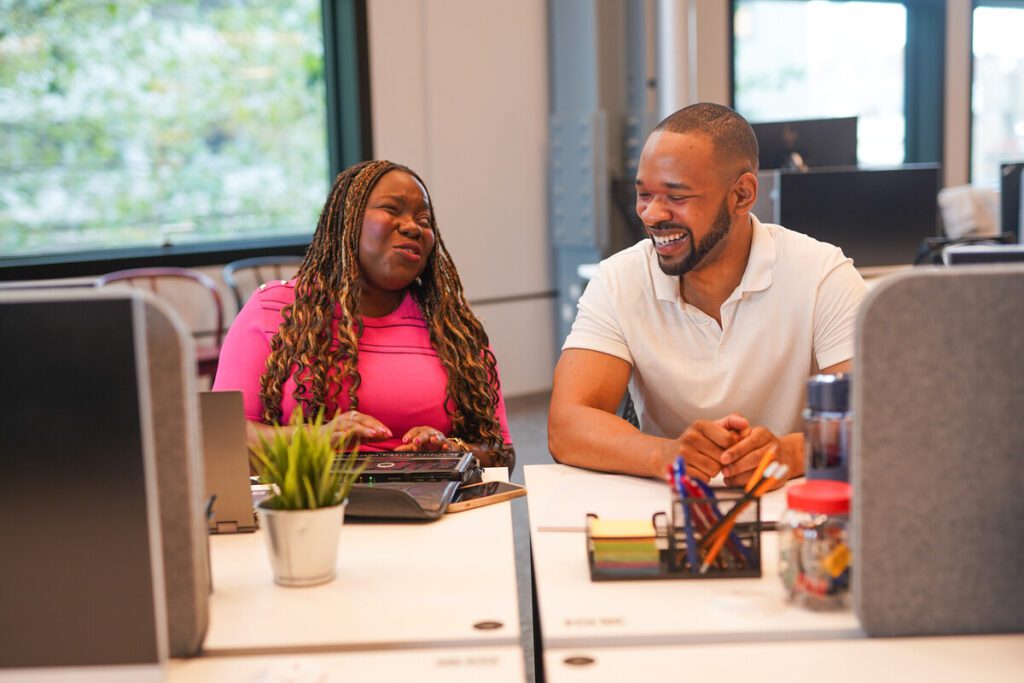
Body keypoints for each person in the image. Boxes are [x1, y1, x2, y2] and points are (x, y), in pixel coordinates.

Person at [548, 103, 866, 485]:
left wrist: (791, 453)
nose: (650, 215)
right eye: (644, 194)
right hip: (671, 502)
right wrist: (666, 454)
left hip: (797, 502)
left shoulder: (821, 274)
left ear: (742, 195)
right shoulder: (620, 278)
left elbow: (875, 416)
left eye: (676, 197)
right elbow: (567, 425)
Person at [214, 159, 514, 469]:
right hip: (312, 506)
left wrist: (452, 451)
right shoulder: (276, 309)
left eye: (424, 220)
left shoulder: (453, 329)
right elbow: (225, 438)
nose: (413, 226)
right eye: (392, 209)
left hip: (432, 506)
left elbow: (501, 451)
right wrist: (316, 438)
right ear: (348, 219)